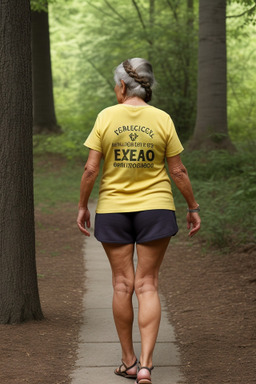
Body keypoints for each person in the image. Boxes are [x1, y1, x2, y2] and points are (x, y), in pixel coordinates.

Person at [77, 58, 201, 384]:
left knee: (122, 284)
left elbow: (90, 169)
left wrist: (82, 206)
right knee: (147, 285)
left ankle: (128, 362)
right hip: (156, 209)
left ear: (121, 86)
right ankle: (146, 366)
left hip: (114, 210)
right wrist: (192, 206)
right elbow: (177, 171)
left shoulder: (106, 116)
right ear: (146, 85)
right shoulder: (162, 119)